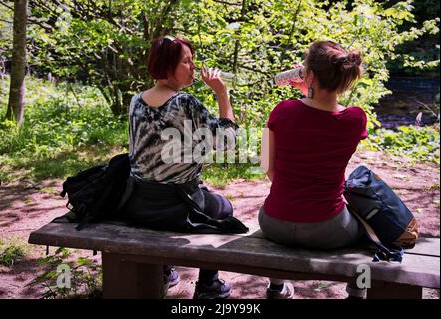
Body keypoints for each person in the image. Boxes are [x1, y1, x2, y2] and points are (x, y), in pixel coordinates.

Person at [123, 35, 243, 299]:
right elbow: (228, 142)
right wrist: (222, 93)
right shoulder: (184, 103)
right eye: (186, 61)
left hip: (138, 204)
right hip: (176, 208)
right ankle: (209, 286)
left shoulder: (135, 101)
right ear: (167, 67)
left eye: (192, 60)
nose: (192, 66)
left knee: (193, 191)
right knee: (224, 207)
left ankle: (164, 271)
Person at [259, 41, 368, 299]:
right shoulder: (355, 119)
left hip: (274, 221)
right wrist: (312, 89)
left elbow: (268, 168)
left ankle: (276, 287)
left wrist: (307, 91)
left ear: (308, 76)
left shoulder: (282, 111)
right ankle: (357, 290)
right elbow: (321, 117)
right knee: (369, 229)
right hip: (328, 227)